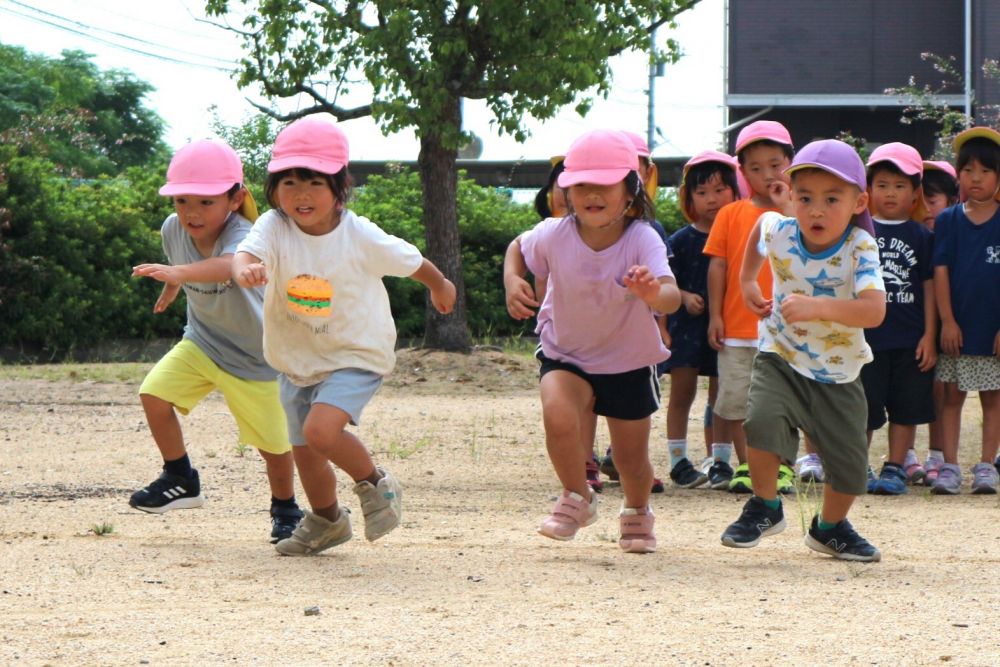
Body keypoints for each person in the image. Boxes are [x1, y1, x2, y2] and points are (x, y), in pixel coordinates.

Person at [232, 115, 457, 554]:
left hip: (355, 353)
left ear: (339, 189)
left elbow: (411, 261)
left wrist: (440, 286)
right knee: (306, 452)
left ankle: (375, 483)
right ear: (274, 188)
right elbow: (244, 254)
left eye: (314, 183)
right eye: (289, 182)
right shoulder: (275, 227)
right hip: (297, 359)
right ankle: (327, 521)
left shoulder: (359, 235)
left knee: (321, 432)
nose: (300, 194)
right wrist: (246, 272)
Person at [504, 129, 680, 553]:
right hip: (566, 353)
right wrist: (513, 280)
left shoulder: (642, 238)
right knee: (558, 413)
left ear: (631, 191)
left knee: (630, 461)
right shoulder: (552, 233)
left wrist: (651, 293)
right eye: (581, 183)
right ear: (564, 189)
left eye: (604, 184)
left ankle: (637, 511)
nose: (591, 194)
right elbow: (517, 248)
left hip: (627, 362)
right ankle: (577, 496)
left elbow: (671, 297)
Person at [129, 138, 303, 543]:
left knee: (273, 446)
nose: (191, 212)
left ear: (235, 198)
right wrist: (175, 283)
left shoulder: (247, 233)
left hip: (255, 358)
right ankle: (180, 476)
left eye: (206, 202)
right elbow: (186, 267)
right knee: (153, 394)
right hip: (204, 342)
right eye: (182, 200)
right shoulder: (173, 228)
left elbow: (229, 265)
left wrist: (182, 275)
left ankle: (286, 509)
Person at [720, 138, 886, 562]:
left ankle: (830, 529)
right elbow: (761, 227)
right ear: (791, 196)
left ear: (858, 201)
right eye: (806, 197)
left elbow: (874, 311)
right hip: (781, 354)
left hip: (839, 371)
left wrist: (818, 307)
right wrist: (746, 282)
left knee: (850, 468)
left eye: (832, 199)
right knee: (760, 421)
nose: (816, 209)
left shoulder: (860, 247)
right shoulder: (781, 230)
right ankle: (765, 505)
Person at [703, 120, 798, 493]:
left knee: (785, 402)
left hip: (788, 330)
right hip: (739, 329)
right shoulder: (731, 214)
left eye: (775, 165)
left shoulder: (803, 212)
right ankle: (747, 466)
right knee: (741, 402)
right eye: (755, 168)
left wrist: (787, 205)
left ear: (791, 162)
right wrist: (714, 315)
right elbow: (718, 265)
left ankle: (784, 467)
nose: (766, 175)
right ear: (741, 172)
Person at [660, 150, 741, 488]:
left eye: (720, 190)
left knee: (723, 396)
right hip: (686, 330)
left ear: (736, 191)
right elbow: (663, 283)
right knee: (682, 394)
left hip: (728, 327)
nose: (712, 199)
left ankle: (720, 461)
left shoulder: (741, 236)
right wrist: (681, 298)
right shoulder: (679, 241)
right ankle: (678, 460)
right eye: (702, 192)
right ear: (689, 197)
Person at [860, 143, 937, 495]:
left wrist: (929, 335)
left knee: (906, 408)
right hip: (866, 339)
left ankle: (894, 468)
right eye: (883, 184)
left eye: (900, 185)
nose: (891, 193)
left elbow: (930, 287)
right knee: (863, 407)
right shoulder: (858, 232)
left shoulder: (922, 236)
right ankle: (855, 465)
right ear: (868, 189)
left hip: (910, 338)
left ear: (915, 193)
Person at [931, 126, 1000, 495]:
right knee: (952, 397)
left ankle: (987, 466)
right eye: (968, 170)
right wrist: (947, 320)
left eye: (985, 171)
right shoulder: (948, 220)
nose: (976, 178)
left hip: (993, 331)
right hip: (957, 329)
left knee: (993, 399)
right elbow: (940, 271)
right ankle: (950, 466)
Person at [908, 160, 960, 483]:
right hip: (914, 320)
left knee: (943, 387)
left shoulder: (954, 232)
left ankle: (937, 454)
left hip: (951, 318)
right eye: (920, 200)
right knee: (914, 386)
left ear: (952, 200)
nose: (926, 208)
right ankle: (909, 453)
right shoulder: (913, 234)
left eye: (934, 200)